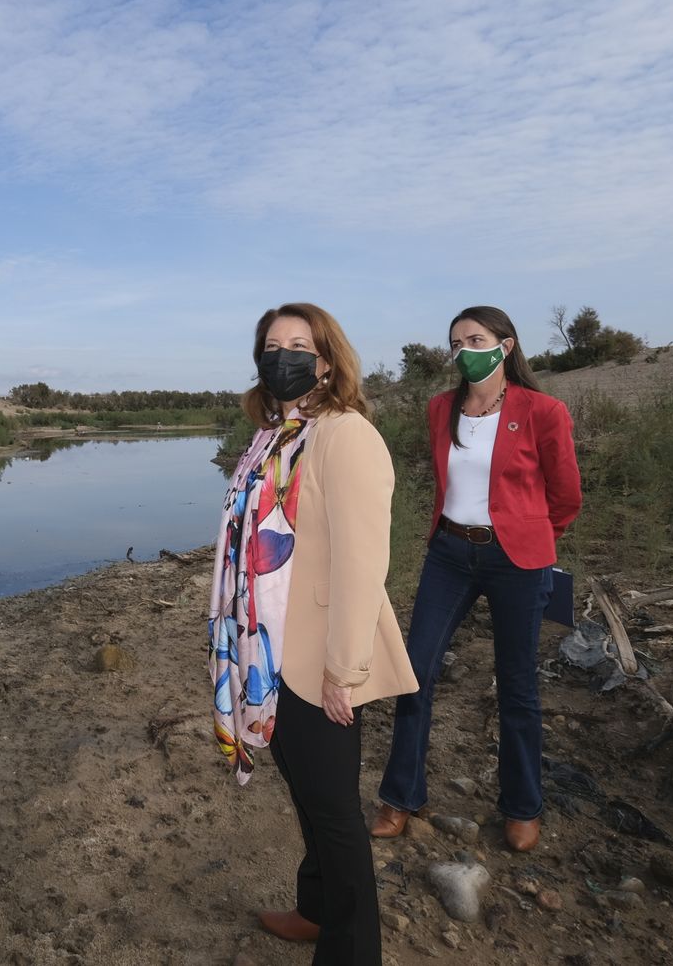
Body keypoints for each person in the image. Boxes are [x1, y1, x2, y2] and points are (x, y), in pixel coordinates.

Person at [210, 302, 417, 965]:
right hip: (265, 651)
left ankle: (352, 951)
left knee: (333, 811)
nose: (284, 357)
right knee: (305, 791)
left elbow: (363, 564)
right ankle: (316, 909)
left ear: (326, 362)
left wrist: (343, 670)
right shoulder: (273, 436)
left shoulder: (344, 435)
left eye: (299, 346)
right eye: (272, 347)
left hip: (316, 655)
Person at [371, 306, 581, 852]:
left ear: (505, 346)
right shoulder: (441, 408)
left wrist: (528, 537)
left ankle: (522, 805)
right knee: (414, 671)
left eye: (476, 339)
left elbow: (565, 496)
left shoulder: (543, 411)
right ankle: (401, 796)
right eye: (456, 342)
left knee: (517, 684)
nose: (465, 350)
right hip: (449, 553)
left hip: (517, 560)